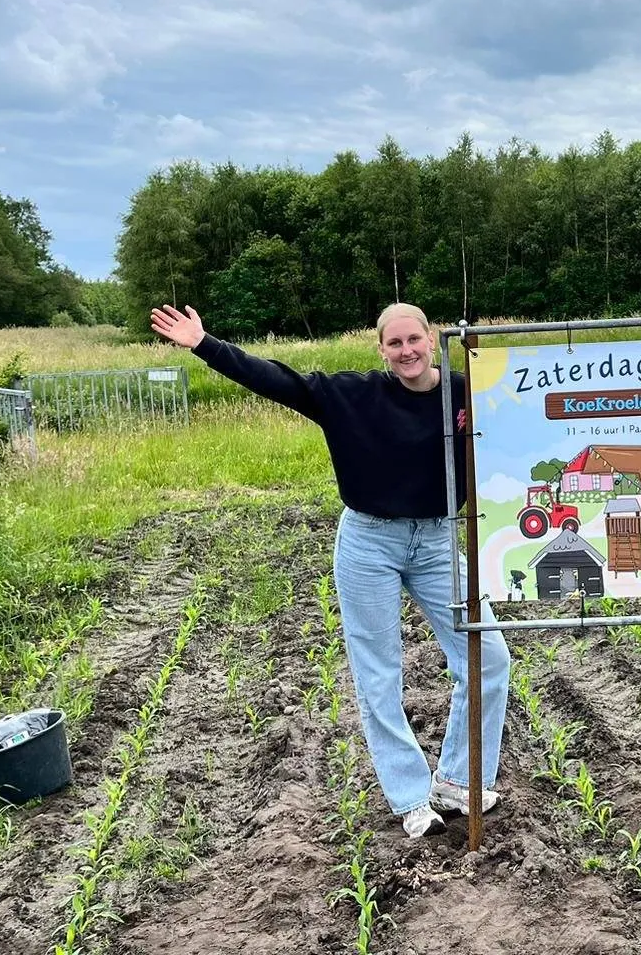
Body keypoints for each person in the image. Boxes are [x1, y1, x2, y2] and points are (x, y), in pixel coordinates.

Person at [150, 301, 510, 839]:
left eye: (415, 340)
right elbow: (277, 380)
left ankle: (458, 780)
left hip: (438, 540)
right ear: (382, 349)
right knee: (380, 672)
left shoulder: (469, 392)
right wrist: (206, 344)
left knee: (488, 658)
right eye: (395, 343)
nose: (406, 351)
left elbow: (536, 411)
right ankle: (411, 797)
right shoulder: (352, 395)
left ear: (433, 340)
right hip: (370, 543)